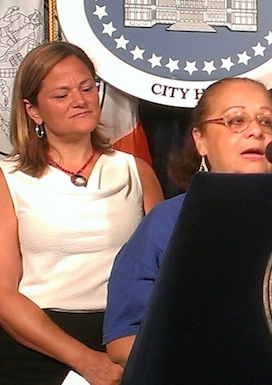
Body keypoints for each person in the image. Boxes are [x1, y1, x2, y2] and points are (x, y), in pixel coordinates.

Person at [0, 41, 163, 385]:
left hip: (124, 337)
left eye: (87, 87)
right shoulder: (8, 179)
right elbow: (3, 294)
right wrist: (86, 361)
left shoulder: (136, 171)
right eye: (62, 95)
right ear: (33, 110)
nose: (80, 100)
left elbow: (165, 273)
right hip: (37, 347)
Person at [103, 77, 272, 367]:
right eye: (236, 120)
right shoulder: (167, 225)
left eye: (266, 121)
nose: (256, 131)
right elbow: (123, 341)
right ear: (200, 139)